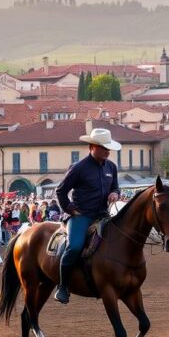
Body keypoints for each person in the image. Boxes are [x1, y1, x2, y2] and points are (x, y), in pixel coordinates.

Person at [54, 128, 121, 304]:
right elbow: (60, 191)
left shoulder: (111, 167)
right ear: (92, 147)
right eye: (104, 148)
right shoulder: (79, 168)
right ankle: (62, 286)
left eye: (109, 148)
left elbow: (116, 187)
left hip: (103, 215)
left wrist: (115, 194)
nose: (107, 151)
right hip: (81, 216)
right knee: (75, 247)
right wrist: (70, 209)